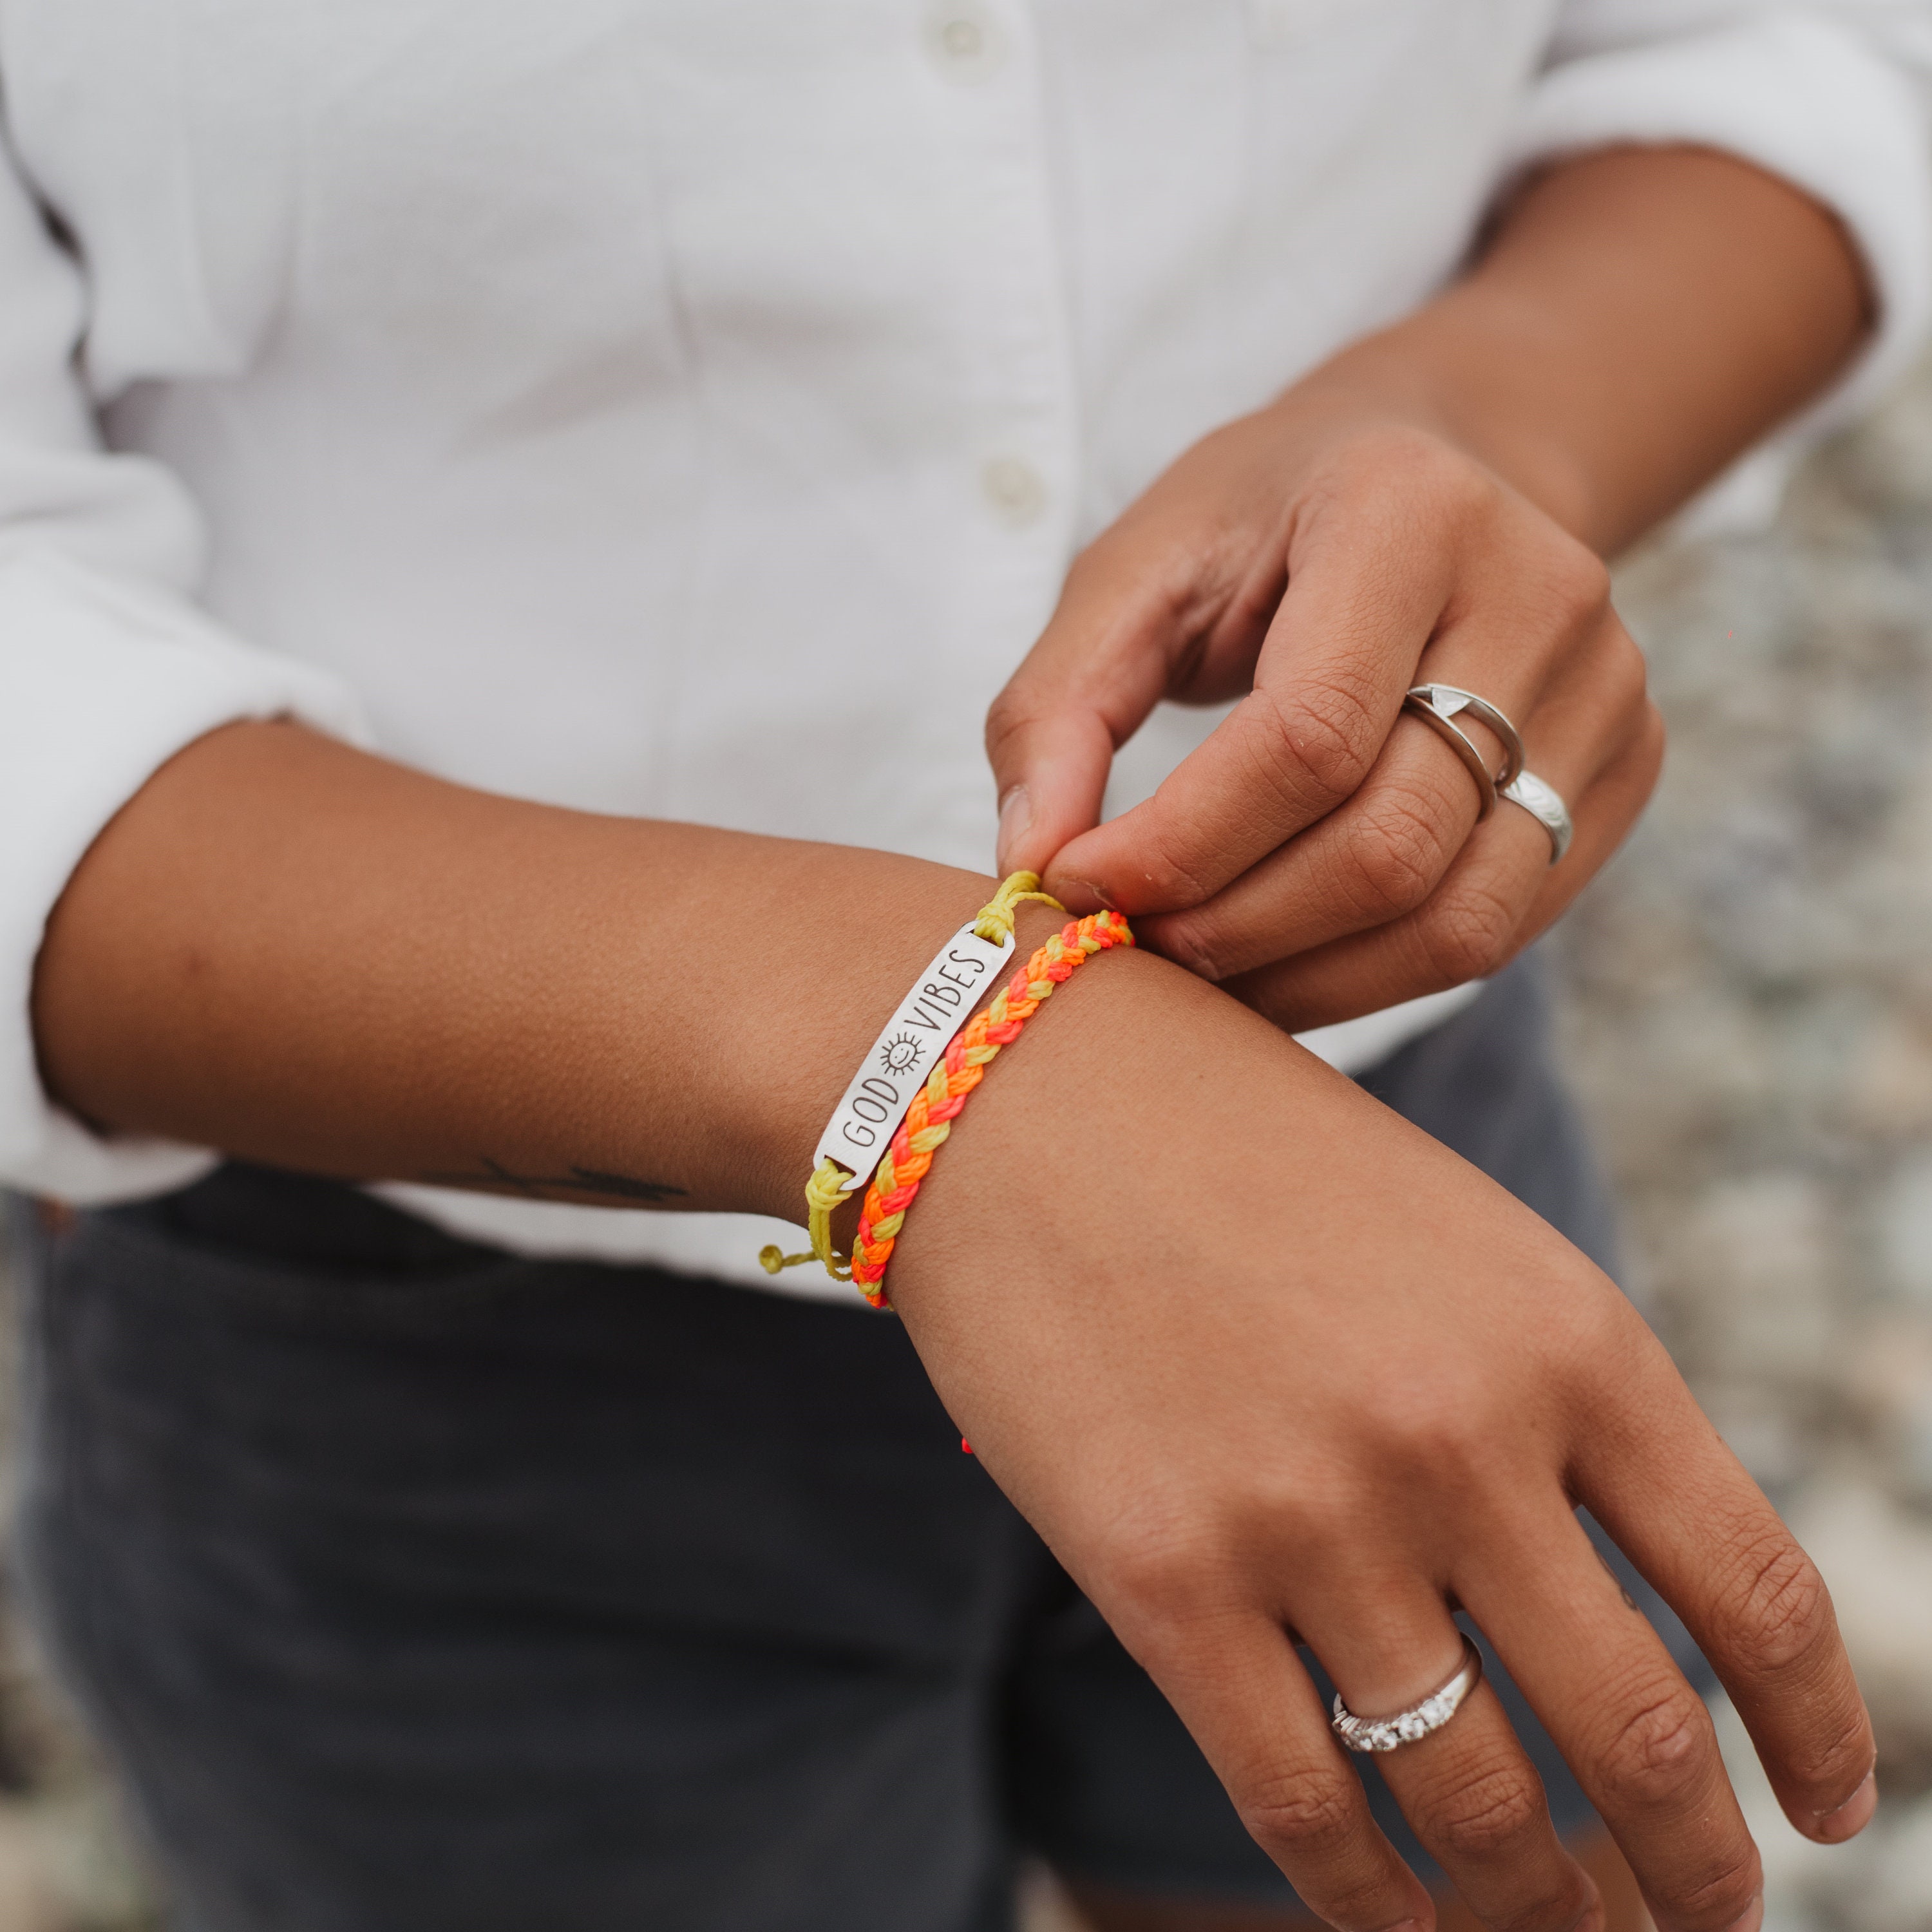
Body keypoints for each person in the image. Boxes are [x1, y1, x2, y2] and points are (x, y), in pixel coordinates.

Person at [2, 5, 1926, 1929]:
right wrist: (956, 1071)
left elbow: (1801, 50)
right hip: (406, 1303)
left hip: (1376, 1153)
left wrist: (1498, 412)